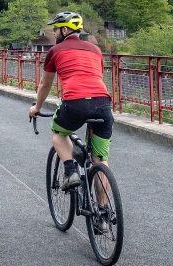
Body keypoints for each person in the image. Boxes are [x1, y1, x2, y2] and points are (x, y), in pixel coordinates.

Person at [28, 11, 113, 199]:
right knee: (100, 160)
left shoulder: (55, 51)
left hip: (75, 102)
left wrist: (37, 108)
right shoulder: (95, 50)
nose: (55, 33)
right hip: (103, 103)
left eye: (56, 29)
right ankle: (103, 214)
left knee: (58, 134)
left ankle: (70, 170)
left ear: (65, 30)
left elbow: (45, 84)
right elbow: (94, 74)